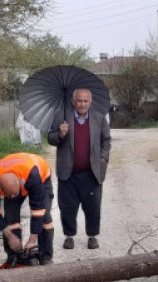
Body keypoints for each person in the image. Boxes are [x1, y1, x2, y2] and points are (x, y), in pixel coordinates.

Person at [47, 88, 111, 250]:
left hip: (91, 173)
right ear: (73, 102)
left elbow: (106, 140)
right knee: (67, 207)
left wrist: (103, 158)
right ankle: (69, 236)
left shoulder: (99, 118)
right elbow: (50, 138)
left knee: (93, 207)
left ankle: (92, 236)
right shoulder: (61, 117)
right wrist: (61, 134)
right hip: (68, 173)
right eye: (79, 101)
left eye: (85, 101)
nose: (82, 104)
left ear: (90, 102)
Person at [0, 152, 55, 268]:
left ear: (19, 183)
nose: (12, 197)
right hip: (15, 181)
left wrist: (32, 240)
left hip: (42, 177)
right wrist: (9, 235)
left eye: (14, 194)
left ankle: (45, 256)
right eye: (9, 195)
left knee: (45, 217)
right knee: (10, 218)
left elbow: (38, 209)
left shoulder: (32, 175)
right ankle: (15, 257)